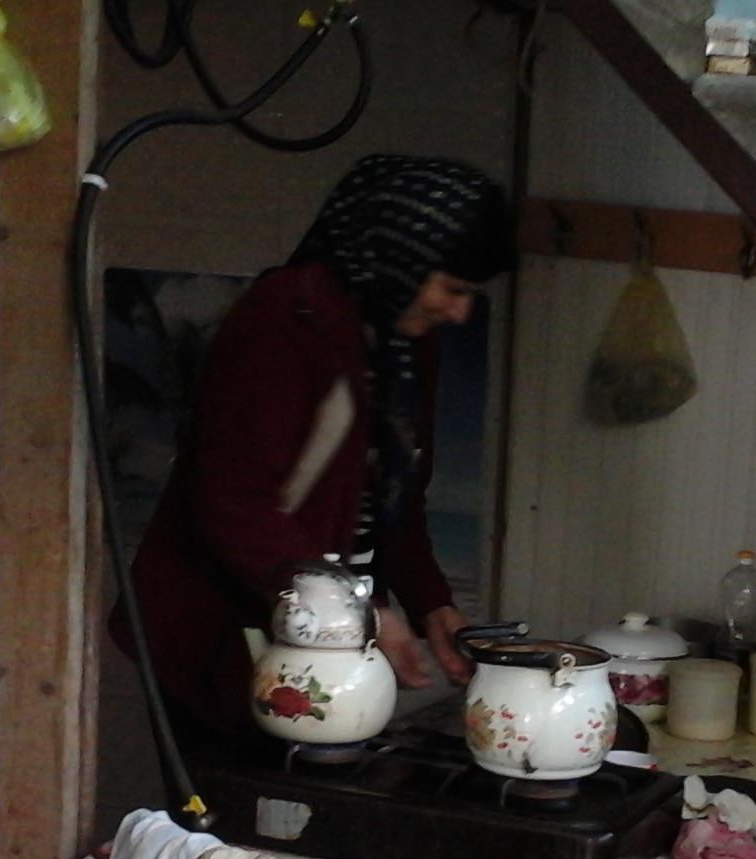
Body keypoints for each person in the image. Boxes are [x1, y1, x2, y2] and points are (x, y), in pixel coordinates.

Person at [130, 154, 511, 738]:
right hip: (224, 632)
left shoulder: (405, 345)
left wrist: (432, 603)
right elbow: (234, 503)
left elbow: (395, 499)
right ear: (400, 257)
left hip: (326, 632)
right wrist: (355, 612)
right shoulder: (287, 318)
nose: (460, 313)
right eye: (452, 288)